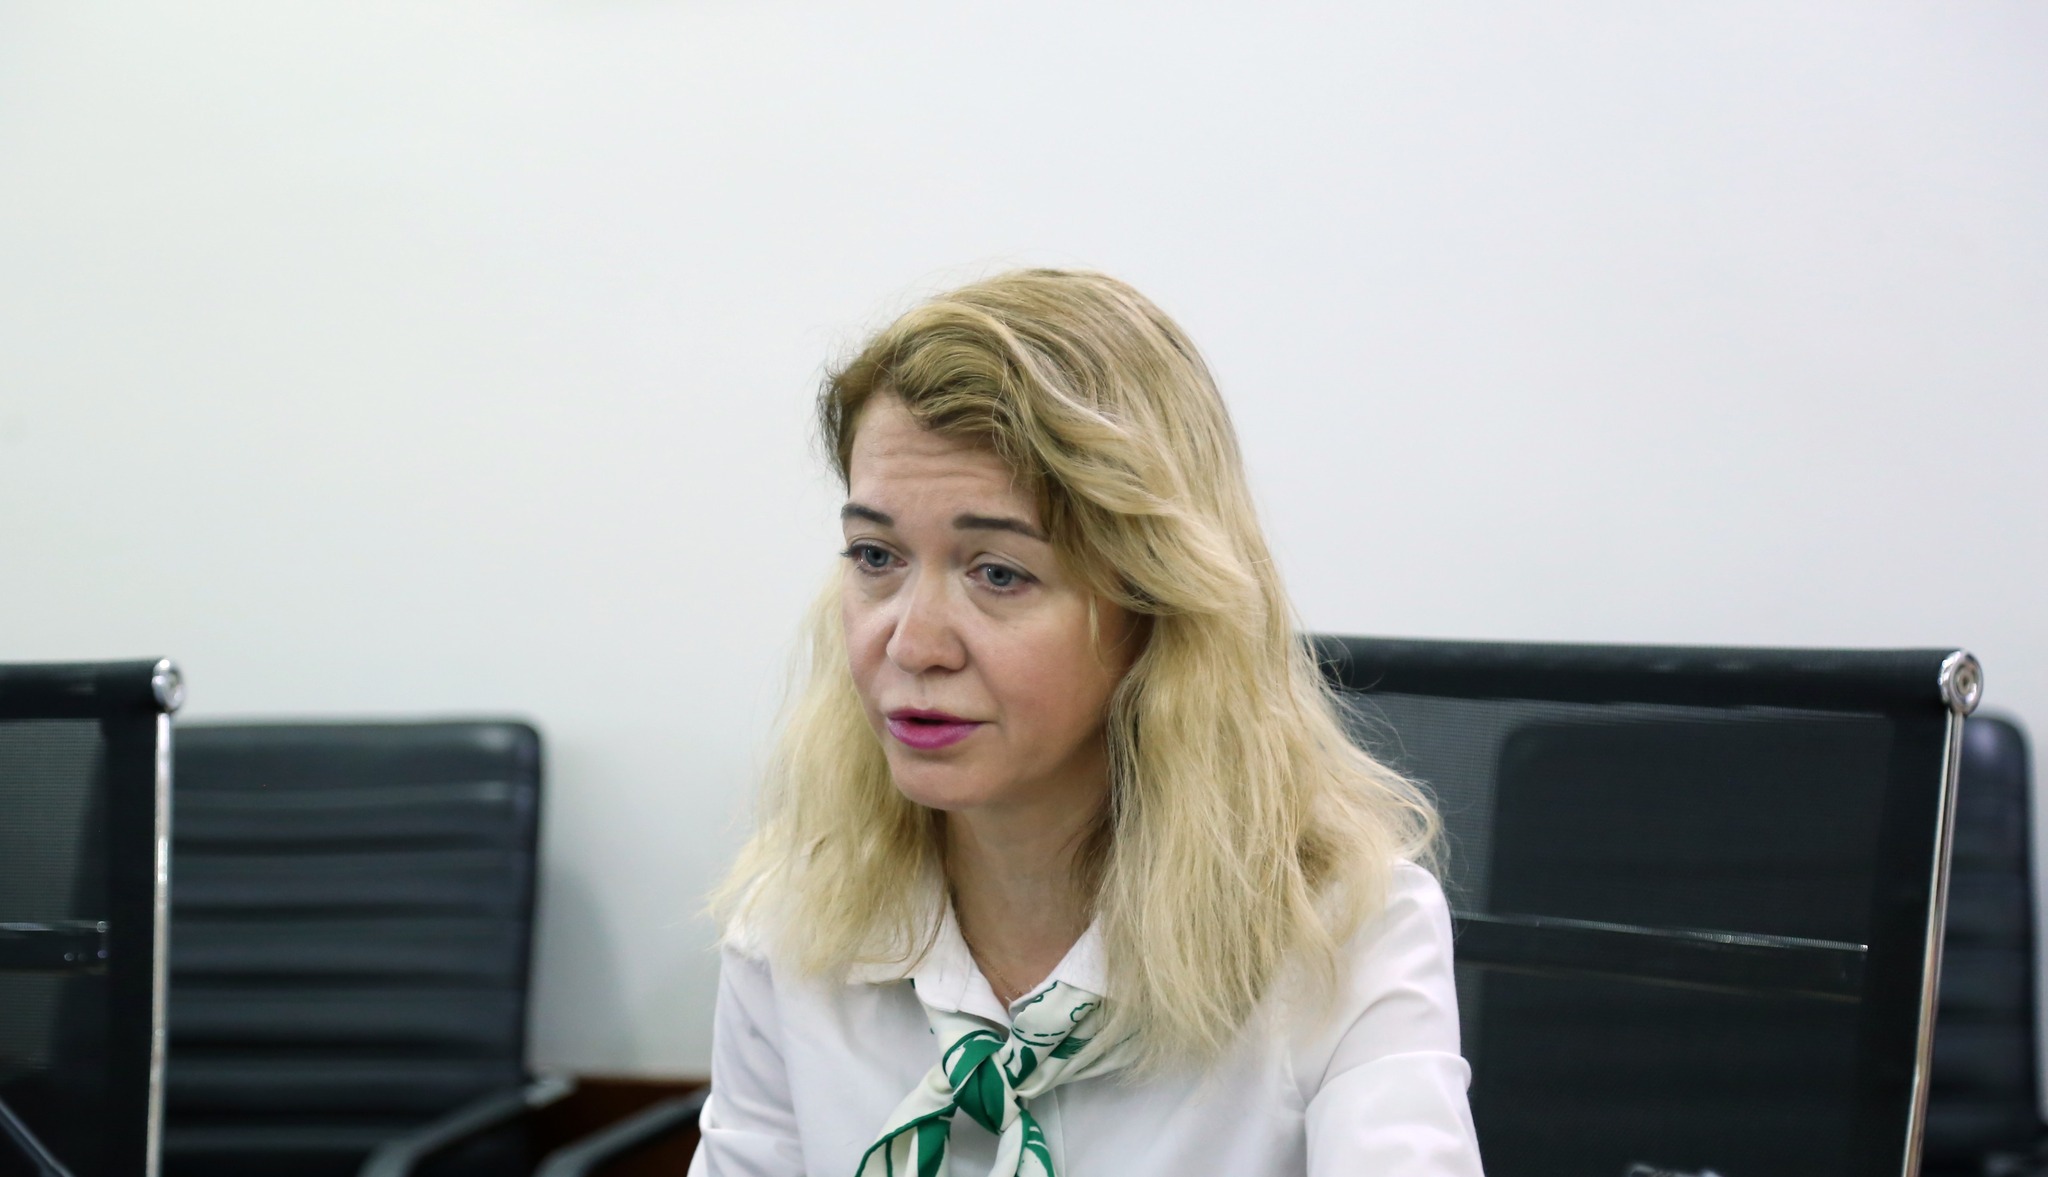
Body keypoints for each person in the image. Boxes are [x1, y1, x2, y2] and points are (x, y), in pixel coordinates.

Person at [689, 270, 1482, 1176]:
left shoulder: (1344, 935)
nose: (911, 643)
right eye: (876, 556)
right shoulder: (795, 922)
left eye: (999, 572)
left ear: (1156, 603)